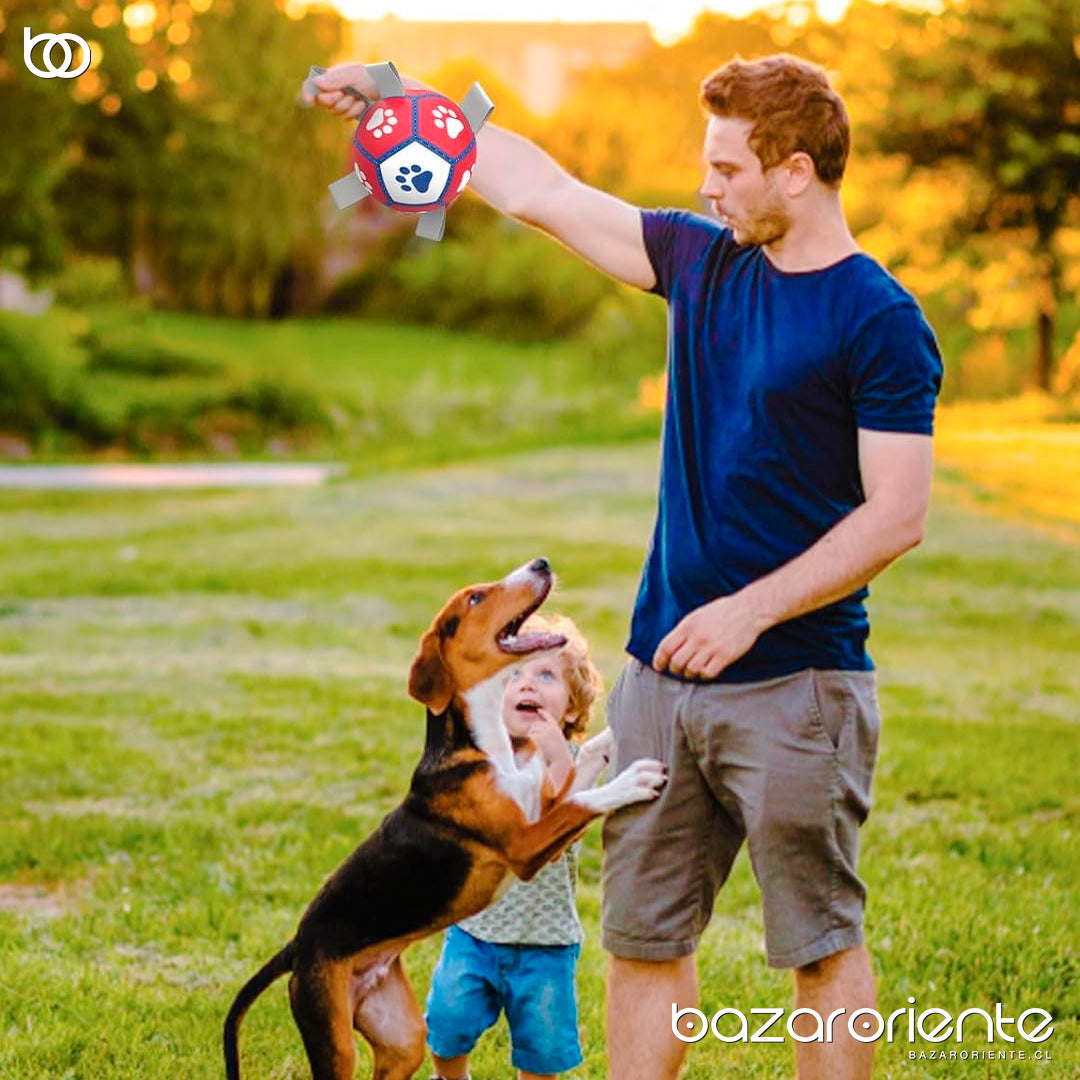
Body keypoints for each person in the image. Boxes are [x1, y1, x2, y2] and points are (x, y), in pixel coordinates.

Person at [309, 53, 943, 1080]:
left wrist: (750, 611)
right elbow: (539, 189)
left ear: (796, 171)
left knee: (819, 949)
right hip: (659, 686)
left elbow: (898, 514)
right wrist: (402, 104)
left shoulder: (879, 320)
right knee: (644, 942)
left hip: (798, 688)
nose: (706, 186)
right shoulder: (701, 261)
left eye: (728, 167)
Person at [424, 612, 612, 1080]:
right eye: (513, 675)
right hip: (474, 933)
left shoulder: (572, 761)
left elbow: (564, 819)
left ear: (570, 709)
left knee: (541, 1048)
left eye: (545, 675)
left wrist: (553, 753)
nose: (526, 685)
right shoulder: (484, 761)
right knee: (446, 1023)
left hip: (545, 943)